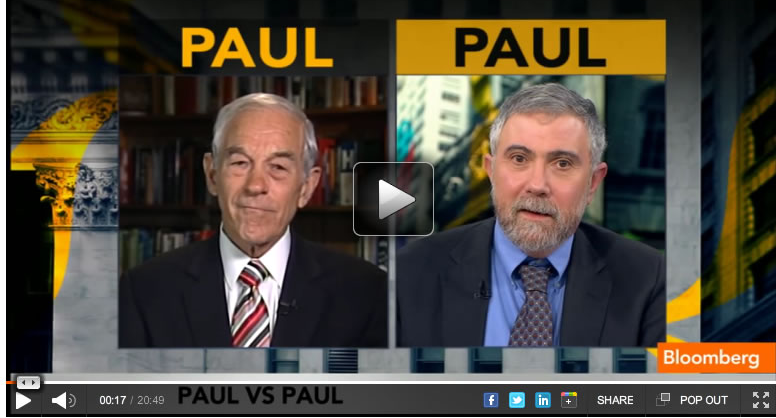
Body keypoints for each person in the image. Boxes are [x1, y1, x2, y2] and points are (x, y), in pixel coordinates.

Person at [397, 83, 665, 347]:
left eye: (562, 164)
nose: (537, 185)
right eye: (519, 159)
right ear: (491, 171)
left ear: (593, 183)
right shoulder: (412, 270)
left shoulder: (649, 279)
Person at [120, 93, 387, 348]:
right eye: (240, 163)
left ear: (306, 187)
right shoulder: (144, 290)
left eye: (278, 167)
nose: (256, 186)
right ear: (212, 175)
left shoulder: (367, 291)